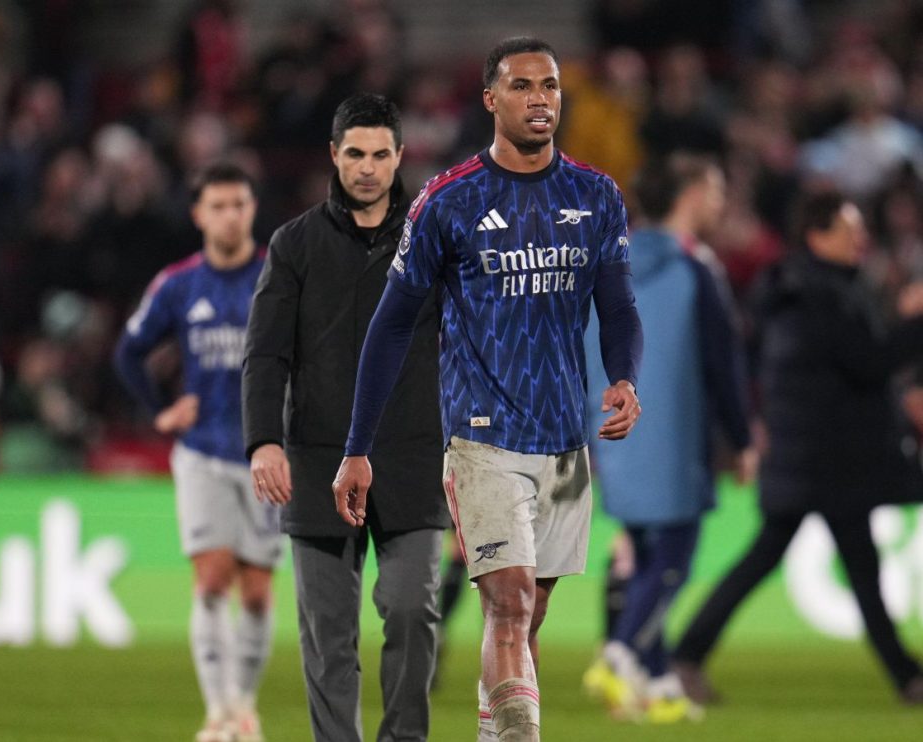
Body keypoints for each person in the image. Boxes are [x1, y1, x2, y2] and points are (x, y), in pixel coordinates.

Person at [333, 38, 645, 742]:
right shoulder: (449, 202)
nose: (541, 98)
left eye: (552, 85)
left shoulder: (595, 196)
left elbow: (619, 305)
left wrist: (624, 375)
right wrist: (359, 447)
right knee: (506, 606)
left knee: (527, 620)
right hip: (482, 439)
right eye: (524, 85)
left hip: (565, 444)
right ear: (491, 99)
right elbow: (389, 329)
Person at [243, 93, 450, 742]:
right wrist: (263, 442)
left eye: (380, 154)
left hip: (414, 456)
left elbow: (470, 343)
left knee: (412, 607)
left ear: (400, 156)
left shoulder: (437, 240)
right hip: (316, 455)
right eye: (354, 154)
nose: (367, 167)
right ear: (334, 155)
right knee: (328, 633)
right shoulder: (295, 245)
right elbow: (265, 353)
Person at [672, 190, 923, 706]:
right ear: (817, 235)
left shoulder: (797, 292)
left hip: (806, 457)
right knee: (857, 572)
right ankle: (907, 678)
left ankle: (687, 657)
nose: (861, 238)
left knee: (778, 562)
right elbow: (870, 362)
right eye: (849, 230)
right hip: (827, 461)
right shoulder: (821, 296)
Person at [580, 153, 754, 723]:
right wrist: (743, 437)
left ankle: (658, 686)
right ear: (688, 195)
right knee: (674, 556)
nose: (721, 202)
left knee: (645, 553)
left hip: (614, 431)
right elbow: (723, 363)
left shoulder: (606, 262)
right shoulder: (694, 267)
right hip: (677, 436)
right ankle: (622, 652)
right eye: (714, 188)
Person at [114, 163, 280, 742]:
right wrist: (159, 408)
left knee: (257, 592)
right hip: (203, 450)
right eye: (218, 205)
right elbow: (128, 352)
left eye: (239, 203)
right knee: (211, 581)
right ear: (199, 215)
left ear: (252, 209)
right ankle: (218, 714)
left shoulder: (279, 277)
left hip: (267, 456)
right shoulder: (178, 284)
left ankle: (245, 705)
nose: (230, 215)